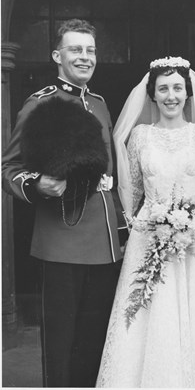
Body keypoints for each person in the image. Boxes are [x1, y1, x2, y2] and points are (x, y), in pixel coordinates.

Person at [96, 56, 195, 387]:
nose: (171, 96)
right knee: (149, 317)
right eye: (163, 89)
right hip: (149, 237)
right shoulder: (140, 136)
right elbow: (132, 189)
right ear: (152, 94)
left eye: (178, 88)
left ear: (188, 93)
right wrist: (143, 223)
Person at [2, 19, 126, 387]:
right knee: (61, 343)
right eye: (75, 49)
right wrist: (38, 183)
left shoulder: (101, 105)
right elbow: (9, 167)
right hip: (61, 239)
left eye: (90, 50)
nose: (84, 57)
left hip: (104, 243)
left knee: (94, 339)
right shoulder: (40, 103)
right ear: (57, 55)